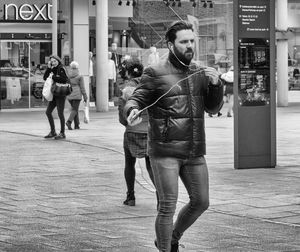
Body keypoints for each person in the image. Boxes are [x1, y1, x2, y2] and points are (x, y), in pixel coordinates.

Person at [124, 20, 224, 252]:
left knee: (201, 202)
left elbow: (212, 108)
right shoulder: (155, 71)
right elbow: (136, 98)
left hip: (194, 151)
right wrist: (130, 110)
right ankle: (167, 249)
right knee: (167, 205)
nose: (190, 46)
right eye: (184, 42)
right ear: (171, 45)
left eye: (192, 41)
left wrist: (216, 84)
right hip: (165, 151)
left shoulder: (199, 71)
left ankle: (172, 238)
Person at [118, 58, 156, 206]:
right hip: (150, 131)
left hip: (132, 131)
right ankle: (161, 197)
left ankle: (130, 197)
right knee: (151, 165)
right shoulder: (150, 87)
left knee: (129, 163)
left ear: (127, 73)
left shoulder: (127, 90)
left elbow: (123, 118)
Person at [43, 55, 69, 140]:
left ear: (58, 60)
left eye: (55, 61)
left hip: (60, 94)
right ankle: (53, 132)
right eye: (52, 61)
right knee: (48, 112)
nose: (53, 62)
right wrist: (49, 68)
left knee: (60, 113)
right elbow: (44, 77)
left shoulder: (61, 68)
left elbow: (65, 79)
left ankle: (62, 133)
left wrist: (53, 77)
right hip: (54, 93)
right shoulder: (52, 68)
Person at [65, 61, 88, 130]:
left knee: (75, 110)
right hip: (77, 94)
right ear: (77, 68)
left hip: (69, 94)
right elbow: (82, 88)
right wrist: (85, 96)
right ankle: (69, 122)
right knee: (75, 109)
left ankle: (77, 125)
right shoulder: (80, 76)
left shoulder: (68, 75)